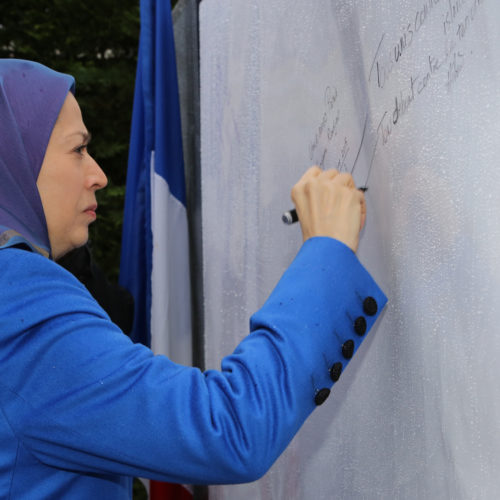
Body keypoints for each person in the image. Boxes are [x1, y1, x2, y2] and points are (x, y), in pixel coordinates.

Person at [0, 59, 387, 499]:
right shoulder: (17, 295)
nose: (99, 176)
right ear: (14, 157)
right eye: (77, 150)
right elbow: (227, 428)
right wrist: (328, 254)